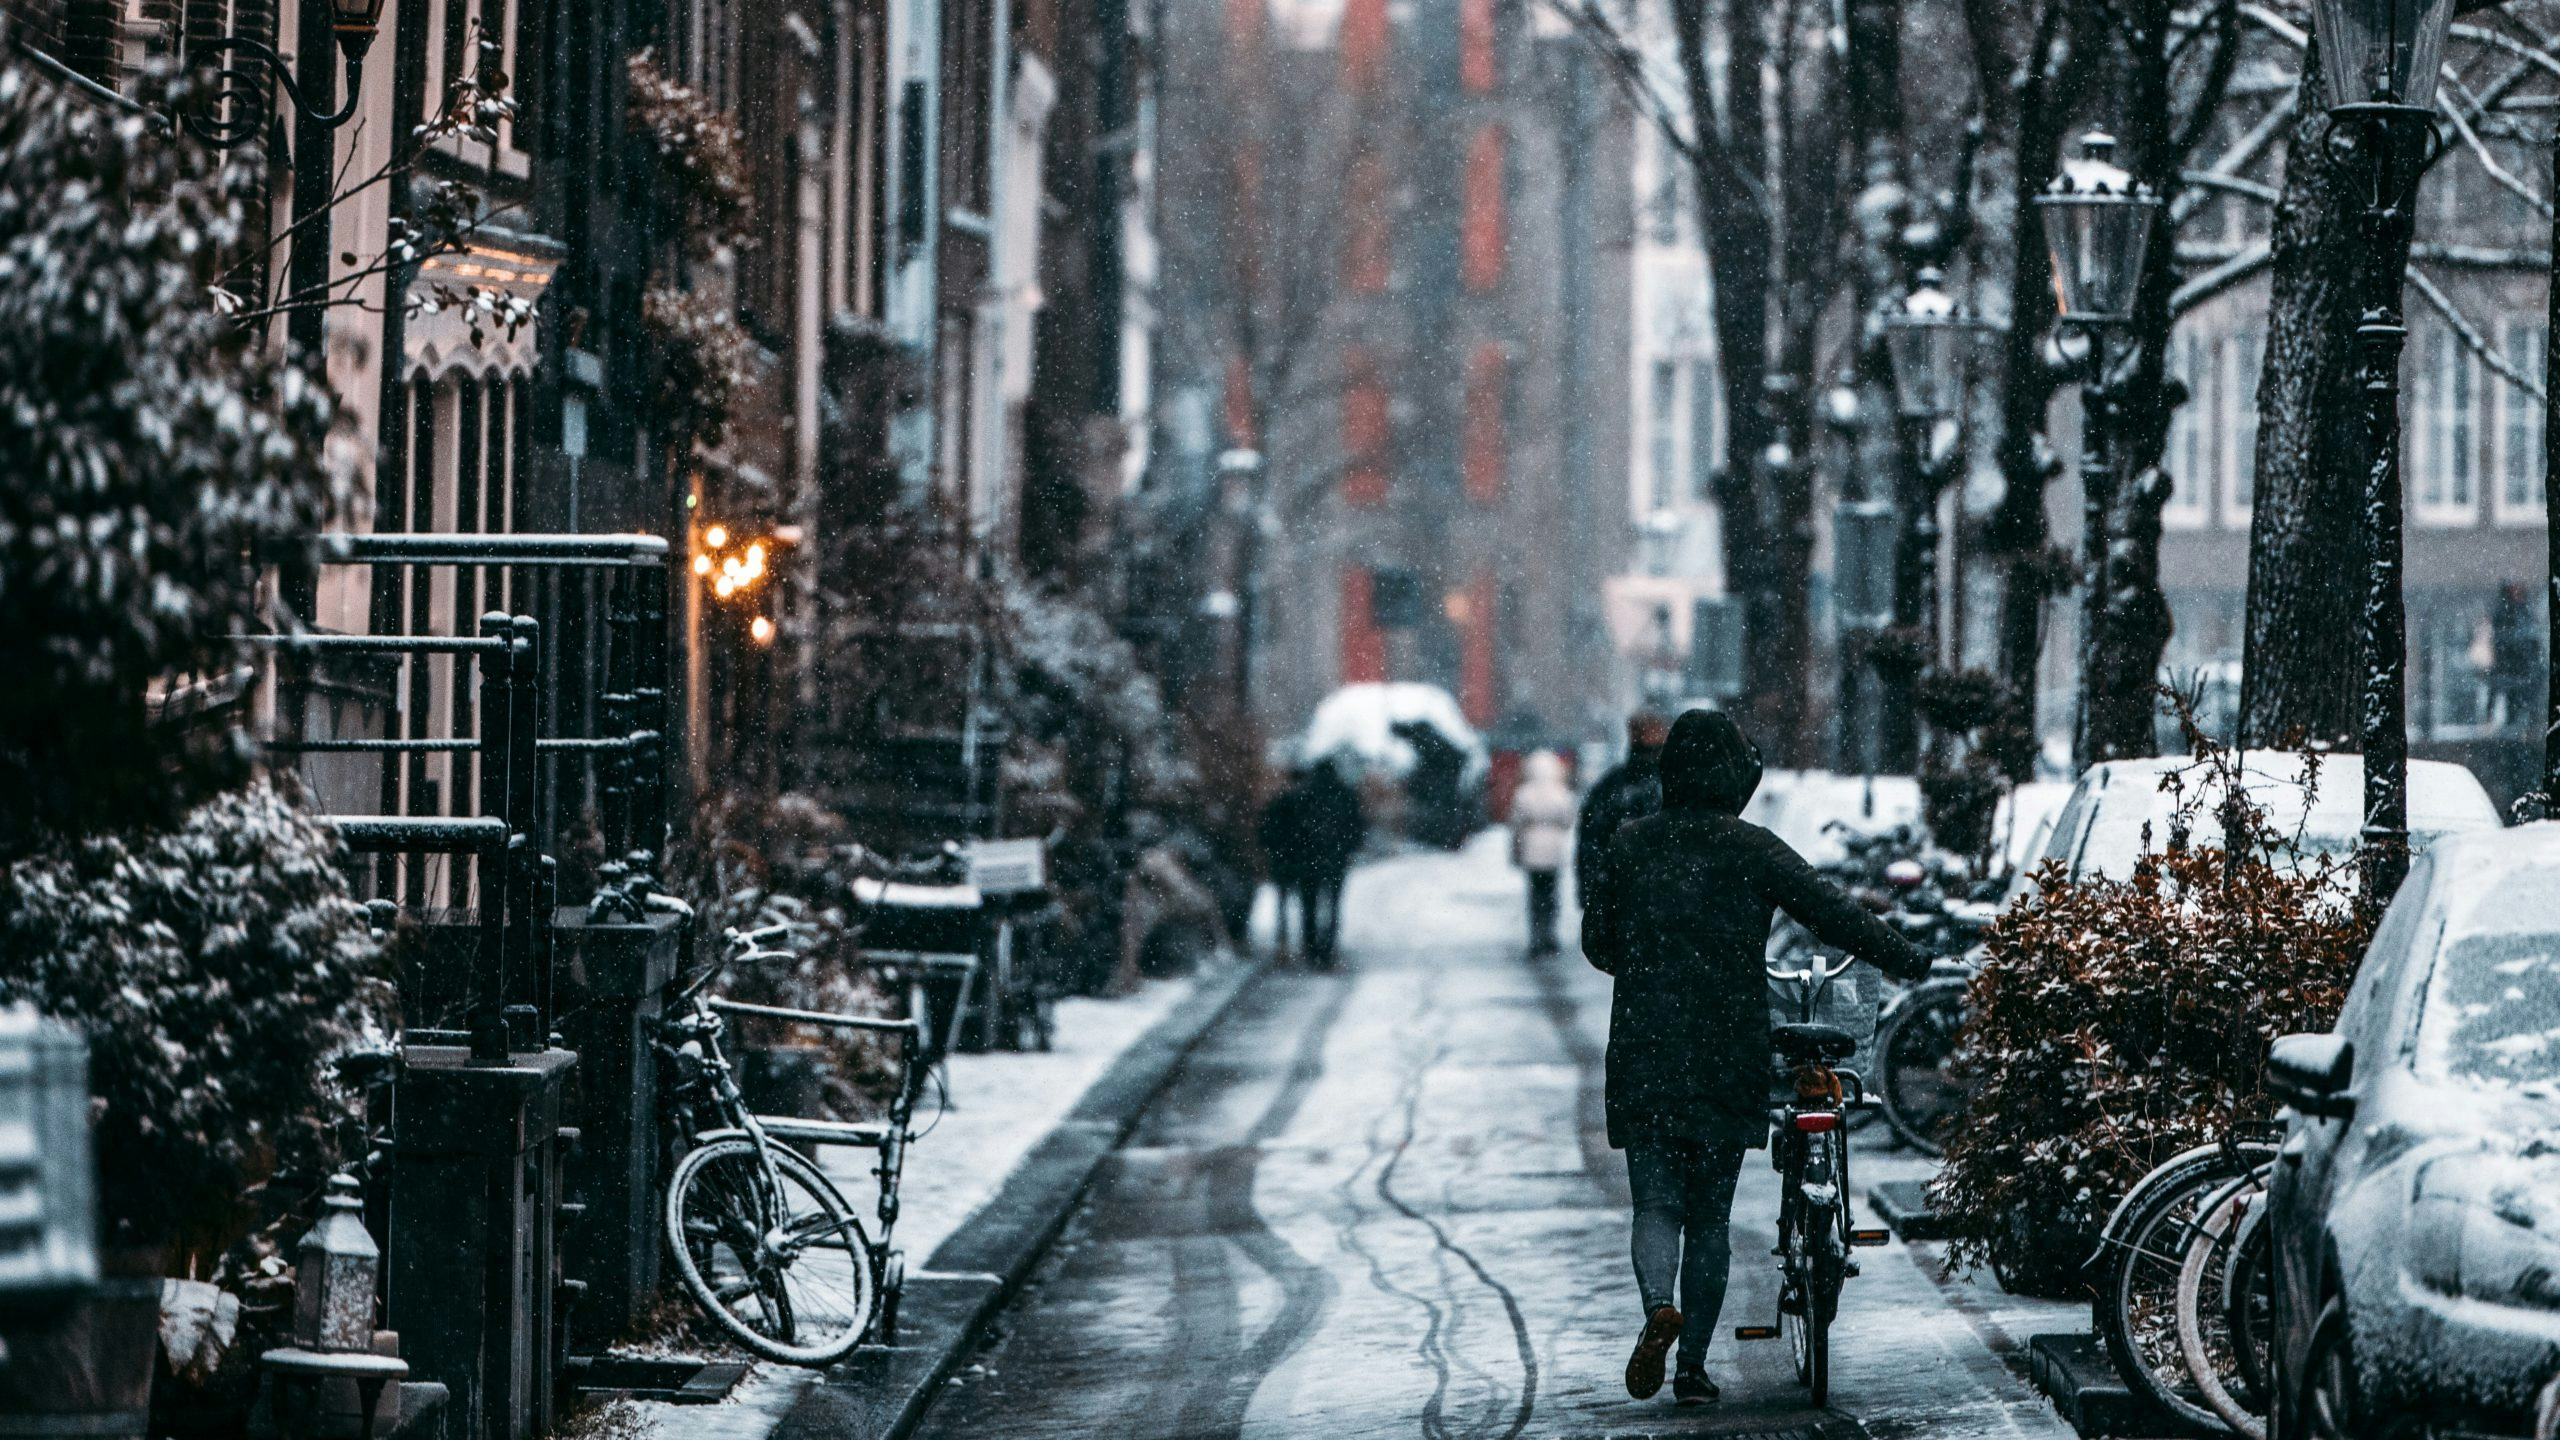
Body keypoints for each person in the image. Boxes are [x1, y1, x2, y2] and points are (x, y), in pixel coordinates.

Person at [1581, 709, 1929, 1407]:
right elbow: (1833, 914)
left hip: (1648, 1045)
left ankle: (1657, 1308)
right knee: (1710, 1217)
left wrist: (1649, 956)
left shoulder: (1629, 845)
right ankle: (1693, 1371)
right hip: (1725, 1046)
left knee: (1655, 1205)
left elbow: (1600, 946)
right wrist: (1908, 957)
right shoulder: (1753, 850)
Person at [1572, 710, 1669, 911]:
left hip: (1620, 899)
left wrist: (1590, 894)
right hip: (1665, 903)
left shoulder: (1610, 786)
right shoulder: (1674, 785)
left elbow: (1590, 843)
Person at [1296, 757, 1366, 968]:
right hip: (1335, 858)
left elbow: (1295, 828)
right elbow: (1356, 825)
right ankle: (1328, 947)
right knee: (1333, 903)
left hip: (1308, 858)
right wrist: (1347, 849)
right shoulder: (1344, 793)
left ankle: (1310, 947)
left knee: (1309, 903)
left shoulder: (1304, 795)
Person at [1508, 750, 1577, 955]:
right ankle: (1550, 936)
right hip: (1554, 850)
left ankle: (1536, 938)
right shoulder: (1561, 792)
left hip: (1531, 850)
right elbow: (1567, 820)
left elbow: (1517, 823)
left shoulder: (1523, 793)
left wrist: (1516, 850)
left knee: (1535, 896)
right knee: (1552, 895)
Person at [1257, 771, 1315, 962]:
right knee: (1305, 904)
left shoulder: (1277, 804)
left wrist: (1274, 849)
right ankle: (1308, 945)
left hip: (1282, 861)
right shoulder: (1305, 806)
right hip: (1301, 862)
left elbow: (1264, 832)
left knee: (1283, 904)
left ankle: (1283, 945)